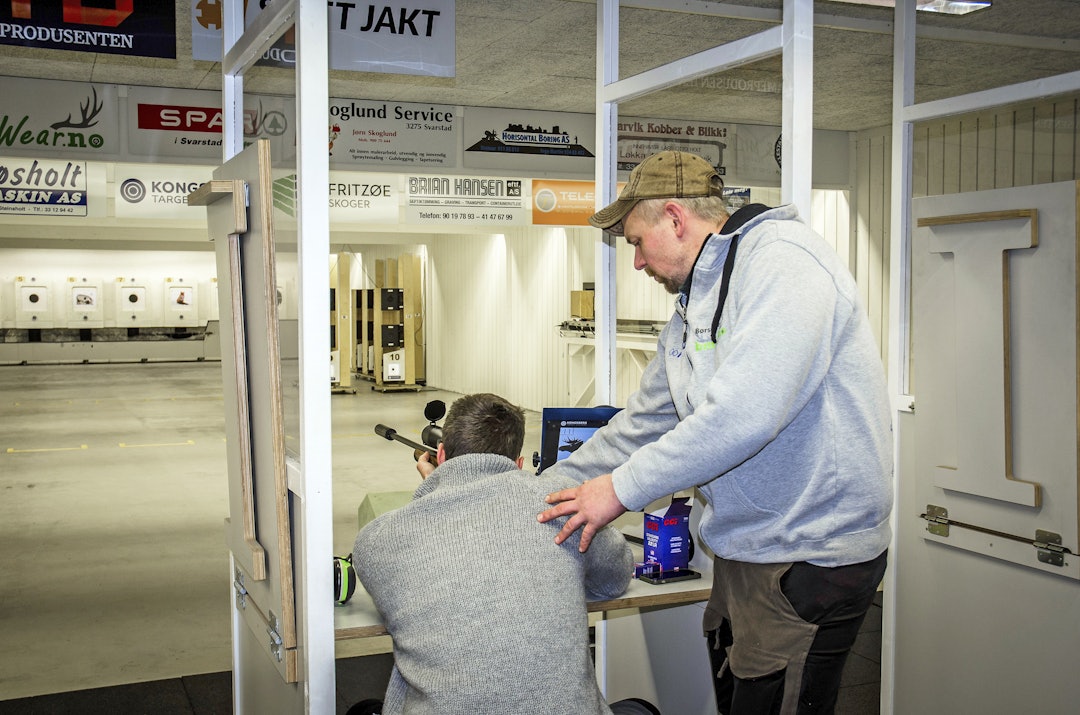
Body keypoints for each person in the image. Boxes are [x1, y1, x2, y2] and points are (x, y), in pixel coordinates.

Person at [537, 150, 893, 715]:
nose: (636, 263)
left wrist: (618, 490)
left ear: (675, 220)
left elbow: (742, 415)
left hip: (809, 555)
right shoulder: (692, 306)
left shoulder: (784, 264)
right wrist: (536, 493)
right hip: (749, 550)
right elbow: (642, 424)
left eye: (634, 242)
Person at [352, 393, 659, 715]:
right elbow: (614, 578)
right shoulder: (561, 507)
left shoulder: (378, 540)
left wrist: (435, 492)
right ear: (519, 464)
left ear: (440, 454)